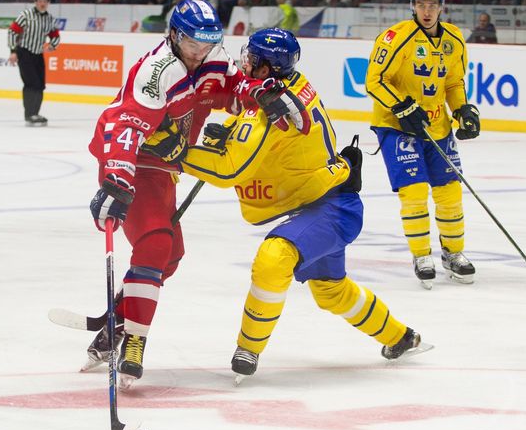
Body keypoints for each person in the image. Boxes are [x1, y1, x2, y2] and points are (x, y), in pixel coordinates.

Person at [169, 28, 424, 378]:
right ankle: (401, 337)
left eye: (252, 59)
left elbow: (229, 170)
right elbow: (257, 130)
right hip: (322, 201)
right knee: (332, 292)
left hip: (327, 208)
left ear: (268, 68)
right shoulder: (284, 88)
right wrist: (229, 132)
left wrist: (174, 153)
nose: (246, 63)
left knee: (274, 259)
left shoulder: (272, 109)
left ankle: (248, 349)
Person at [83, 0, 309, 389]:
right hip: (134, 162)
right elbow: (126, 125)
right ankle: (132, 343)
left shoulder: (213, 61)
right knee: (154, 244)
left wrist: (262, 94)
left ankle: (118, 318)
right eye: (193, 45)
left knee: (169, 256)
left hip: (167, 169)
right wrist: (116, 179)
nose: (200, 53)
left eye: (207, 44)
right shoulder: (155, 72)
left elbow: (236, 89)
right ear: (174, 36)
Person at [365, 0, 481, 289]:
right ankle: (421, 256)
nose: (427, 11)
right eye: (421, 5)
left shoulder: (454, 39)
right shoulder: (395, 37)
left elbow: (454, 82)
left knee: (451, 192)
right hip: (396, 127)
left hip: (436, 127)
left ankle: (453, 253)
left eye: (432, 5)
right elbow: (374, 80)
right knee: (414, 191)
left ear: (442, 7)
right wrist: (401, 105)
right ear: (413, 7)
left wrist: (462, 109)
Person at [7, 0, 60, 127]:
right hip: (24, 53)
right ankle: (29, 114)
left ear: (48, 3)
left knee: (40, 84)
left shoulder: (49, 19)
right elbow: (13, 32)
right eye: (40, 1)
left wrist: (52, 46)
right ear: (35, 2)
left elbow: (55, 36)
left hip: (38, 55)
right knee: (32, 83)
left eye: (45, 1)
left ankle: (35, 113)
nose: (42, 4)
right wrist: (13, 51)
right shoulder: (26, 15)